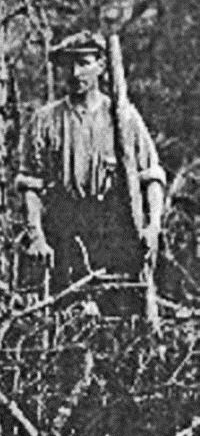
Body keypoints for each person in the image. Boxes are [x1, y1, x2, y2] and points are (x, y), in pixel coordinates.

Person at [17, 31, 165, 315]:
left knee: (121, 313)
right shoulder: (45, 121)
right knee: (67, 314)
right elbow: (30, 185)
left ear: (101, 66)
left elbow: (151, 177)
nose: (75, 73)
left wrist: (153, 226)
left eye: (84, 63)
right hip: (65, 228)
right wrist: (36, 234)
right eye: (68, 65)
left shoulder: (123, 117)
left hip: (114, 228)